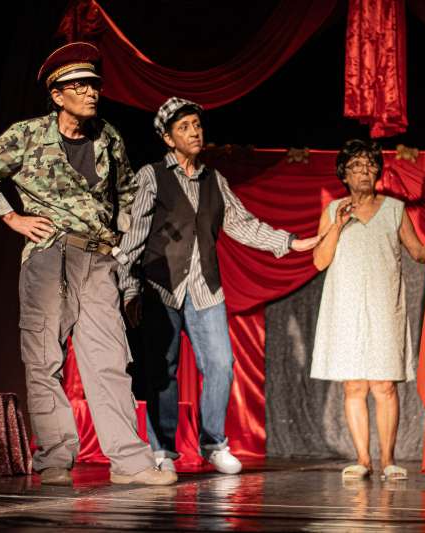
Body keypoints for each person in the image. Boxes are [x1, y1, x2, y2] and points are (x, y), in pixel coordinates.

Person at [0, 42, 175, 486]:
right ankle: (55, 457)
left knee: (110, 360)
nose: (92, 92)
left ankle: (130, 462)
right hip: (49, 256)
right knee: (44, 359)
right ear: (57, 95)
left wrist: (124, 247)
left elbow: (128, 194)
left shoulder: (108, 136)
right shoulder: (28, 135)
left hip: (98, 260)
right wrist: (13, 217)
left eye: (94, 85)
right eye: (80, 86)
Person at [118, 97, 319, 475]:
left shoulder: (215, 180)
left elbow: (243, 224)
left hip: (205, 288)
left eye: (197, 125)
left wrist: (290, 242)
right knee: (162, 369)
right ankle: (163, 451)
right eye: (184, 128)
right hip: (161, 287)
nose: (194, 132)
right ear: (168, 138)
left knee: (222, 365)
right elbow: (134, 236)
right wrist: (129, 288)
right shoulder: (151, 176)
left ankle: (213, 443)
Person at [310, 139, 425, 481]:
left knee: (384, 386)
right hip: (345, 306)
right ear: (344, 175)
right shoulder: (333, 210)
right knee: (354, 386)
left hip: (384, 305)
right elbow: (319, 261)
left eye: (370, 165)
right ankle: (363, 460)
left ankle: (388, 459)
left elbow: (419, 252)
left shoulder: (394, 209)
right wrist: (338, 224)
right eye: (356, 166)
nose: (365, 171)